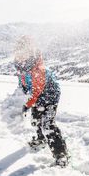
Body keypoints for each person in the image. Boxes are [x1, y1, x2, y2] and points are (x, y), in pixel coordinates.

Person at [14, 36, 69, 167]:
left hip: (50, 96)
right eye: (18, 53)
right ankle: (41, 139)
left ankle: (61, 154)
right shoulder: (22, 68)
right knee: (36, 119)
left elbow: (35, 92)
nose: (20, 56)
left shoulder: (38, 69)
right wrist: (18, 100)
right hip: (36, 97)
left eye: (24, 52)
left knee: (48, 125)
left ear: (30, 52)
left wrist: (24, 106)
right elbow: (22, 87)